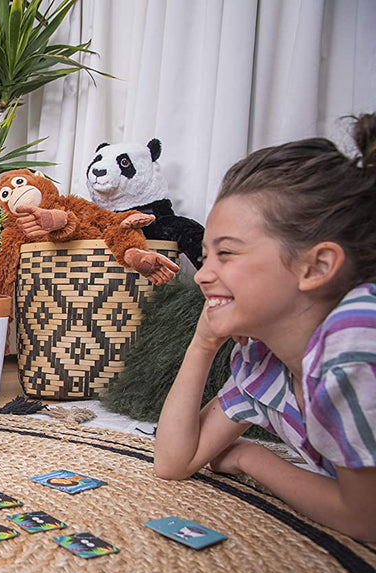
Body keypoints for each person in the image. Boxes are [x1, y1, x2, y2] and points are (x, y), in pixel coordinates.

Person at [154, 114, 376, 541]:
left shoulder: (355, 337)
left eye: (227, 254)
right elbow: (172, 461)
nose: (201, 273)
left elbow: (365, 517)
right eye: (206, 254)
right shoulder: (264, 363)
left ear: (316, 267)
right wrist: (203, 344)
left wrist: (250, 460)